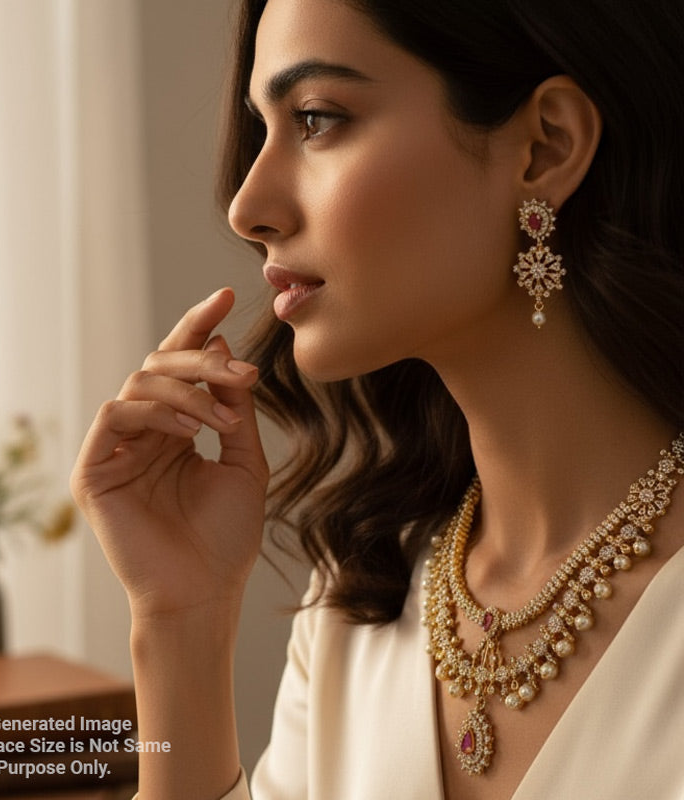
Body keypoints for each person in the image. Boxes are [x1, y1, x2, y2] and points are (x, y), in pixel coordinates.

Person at [70, 0, 684, 797]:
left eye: (318, 119)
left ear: (544, 148)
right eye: (264, 129)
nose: (247, 206)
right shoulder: (357, 606)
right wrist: (180, 623)